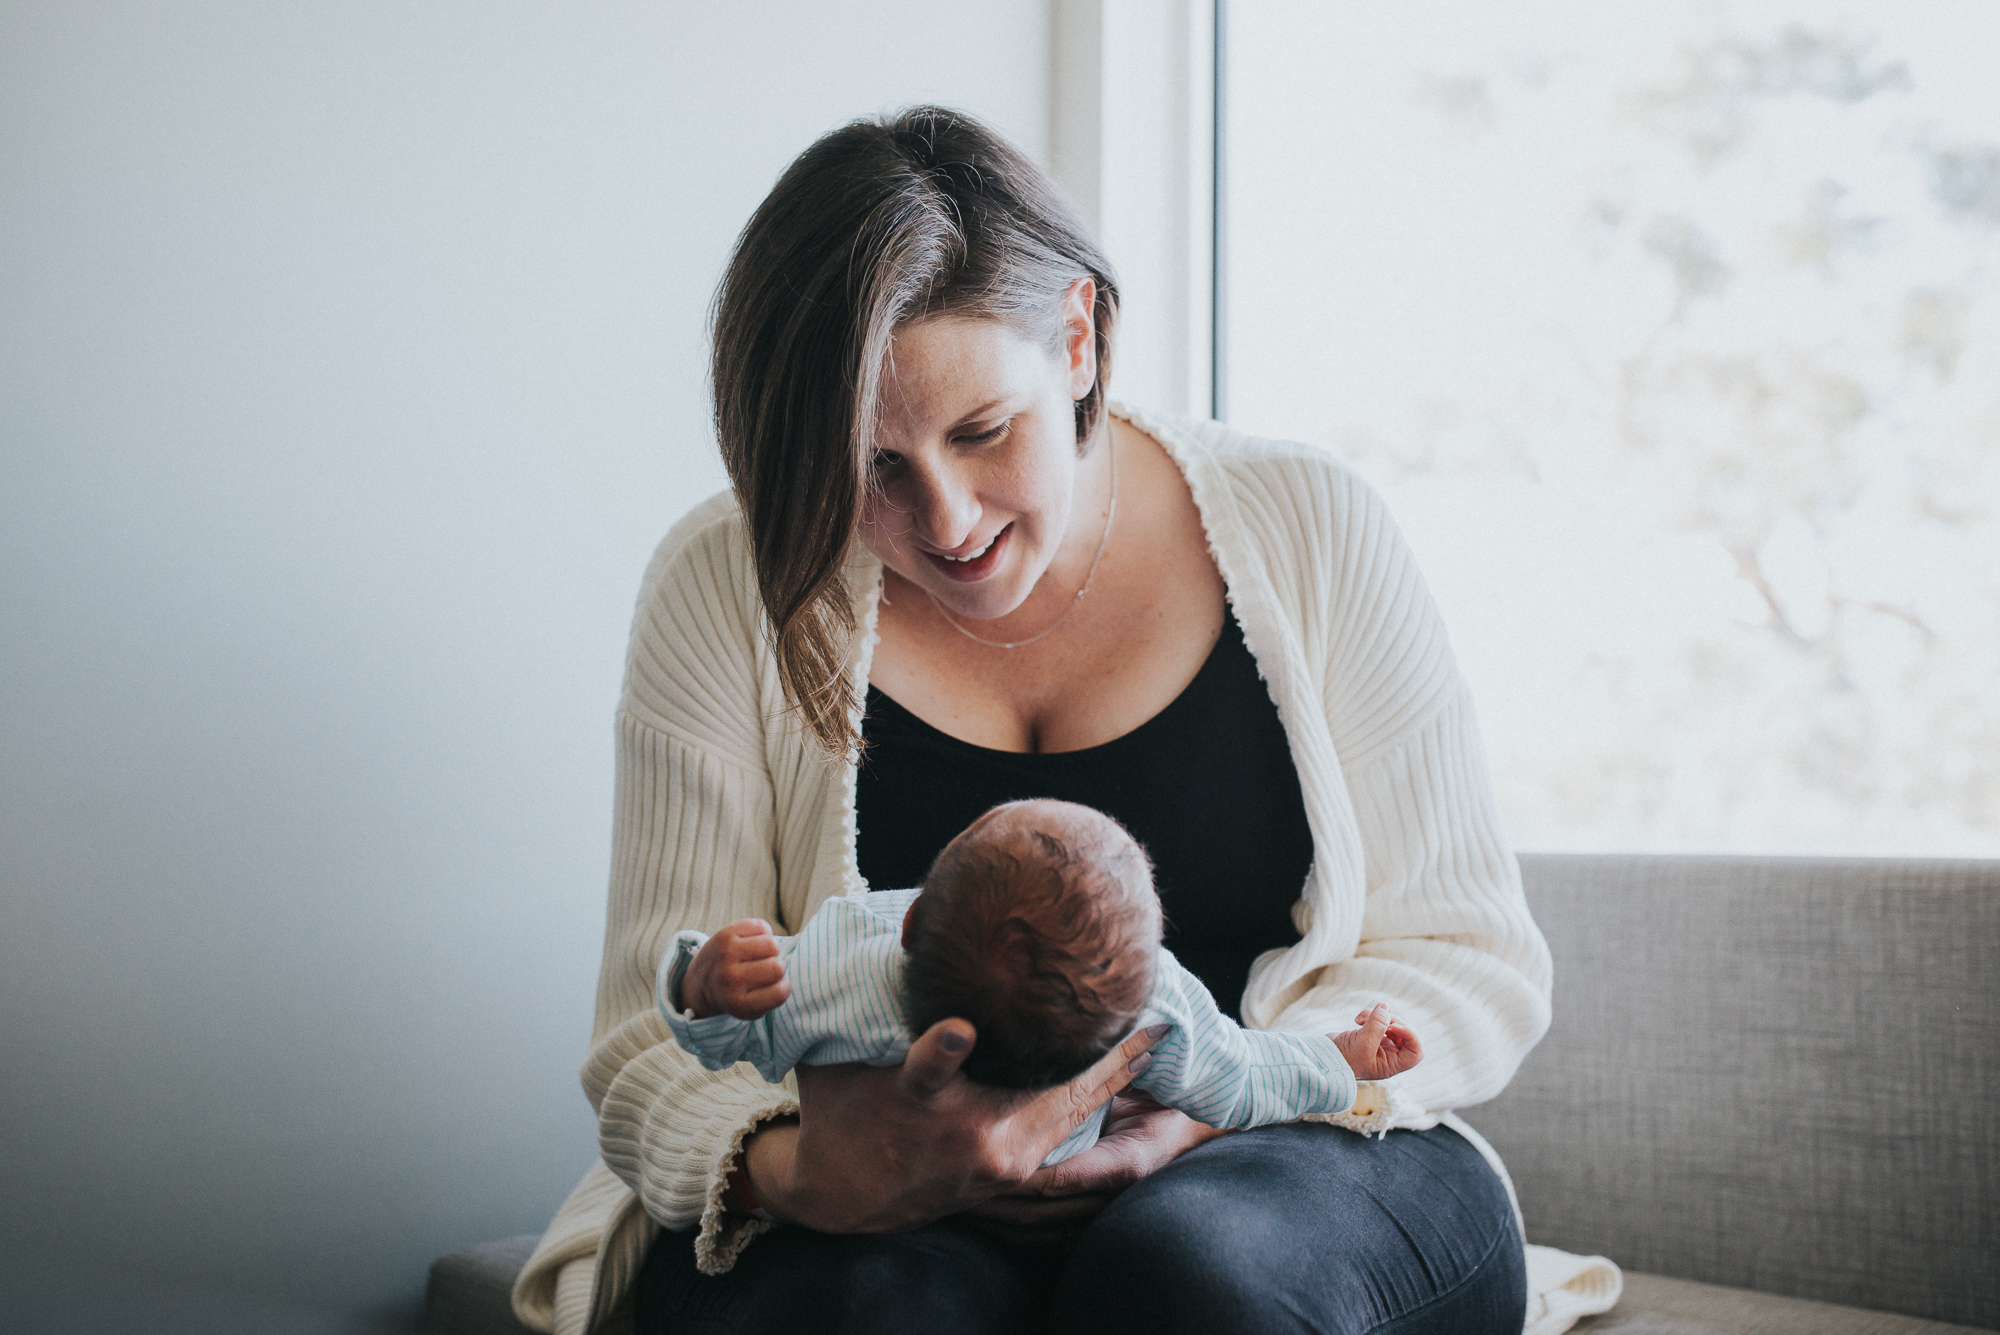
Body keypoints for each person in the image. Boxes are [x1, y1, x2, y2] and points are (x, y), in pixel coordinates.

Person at [512, 106, 1553, 1335]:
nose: (944, 522)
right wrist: (807, 1173)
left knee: (1187, 1280)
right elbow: (651, 1035)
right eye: (870, 464)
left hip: (1293, 1157)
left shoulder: (1308, 523)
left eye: (979, 431)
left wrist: (1215, 1100)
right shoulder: (723, 581)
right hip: (891, 1207)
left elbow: (1466, 959)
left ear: (1074, 336)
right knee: (871, 1311)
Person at [660, 798, 1422, 1174]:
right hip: (1073, 1191)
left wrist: (703, 981)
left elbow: (730, 1040)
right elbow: (1241, 1077)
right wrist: (1338, 1059)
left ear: (912, 921)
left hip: (894, 1207)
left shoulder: (842, 970)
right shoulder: (1150, 1005)